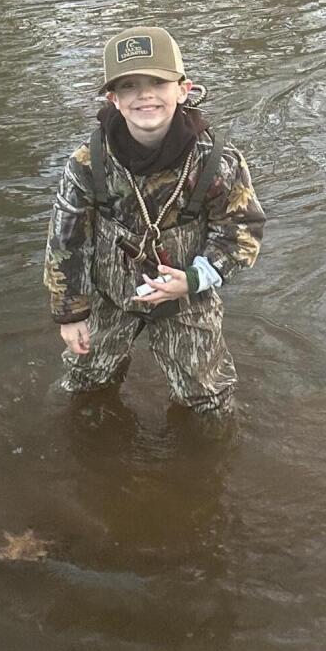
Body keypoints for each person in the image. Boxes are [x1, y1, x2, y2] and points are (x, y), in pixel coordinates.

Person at [45, 27, 266, 416]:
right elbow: (66, 241)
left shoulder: (216, 161)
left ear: (183, 89)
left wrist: (195, 279)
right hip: (110, 298)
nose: (145, 95)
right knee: (84, 385)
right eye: (129, 86)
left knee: (207, 400)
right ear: (113, 99)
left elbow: (243, 233)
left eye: (158, 82)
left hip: (186, 298)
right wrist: (71, 313)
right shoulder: (87, 162)